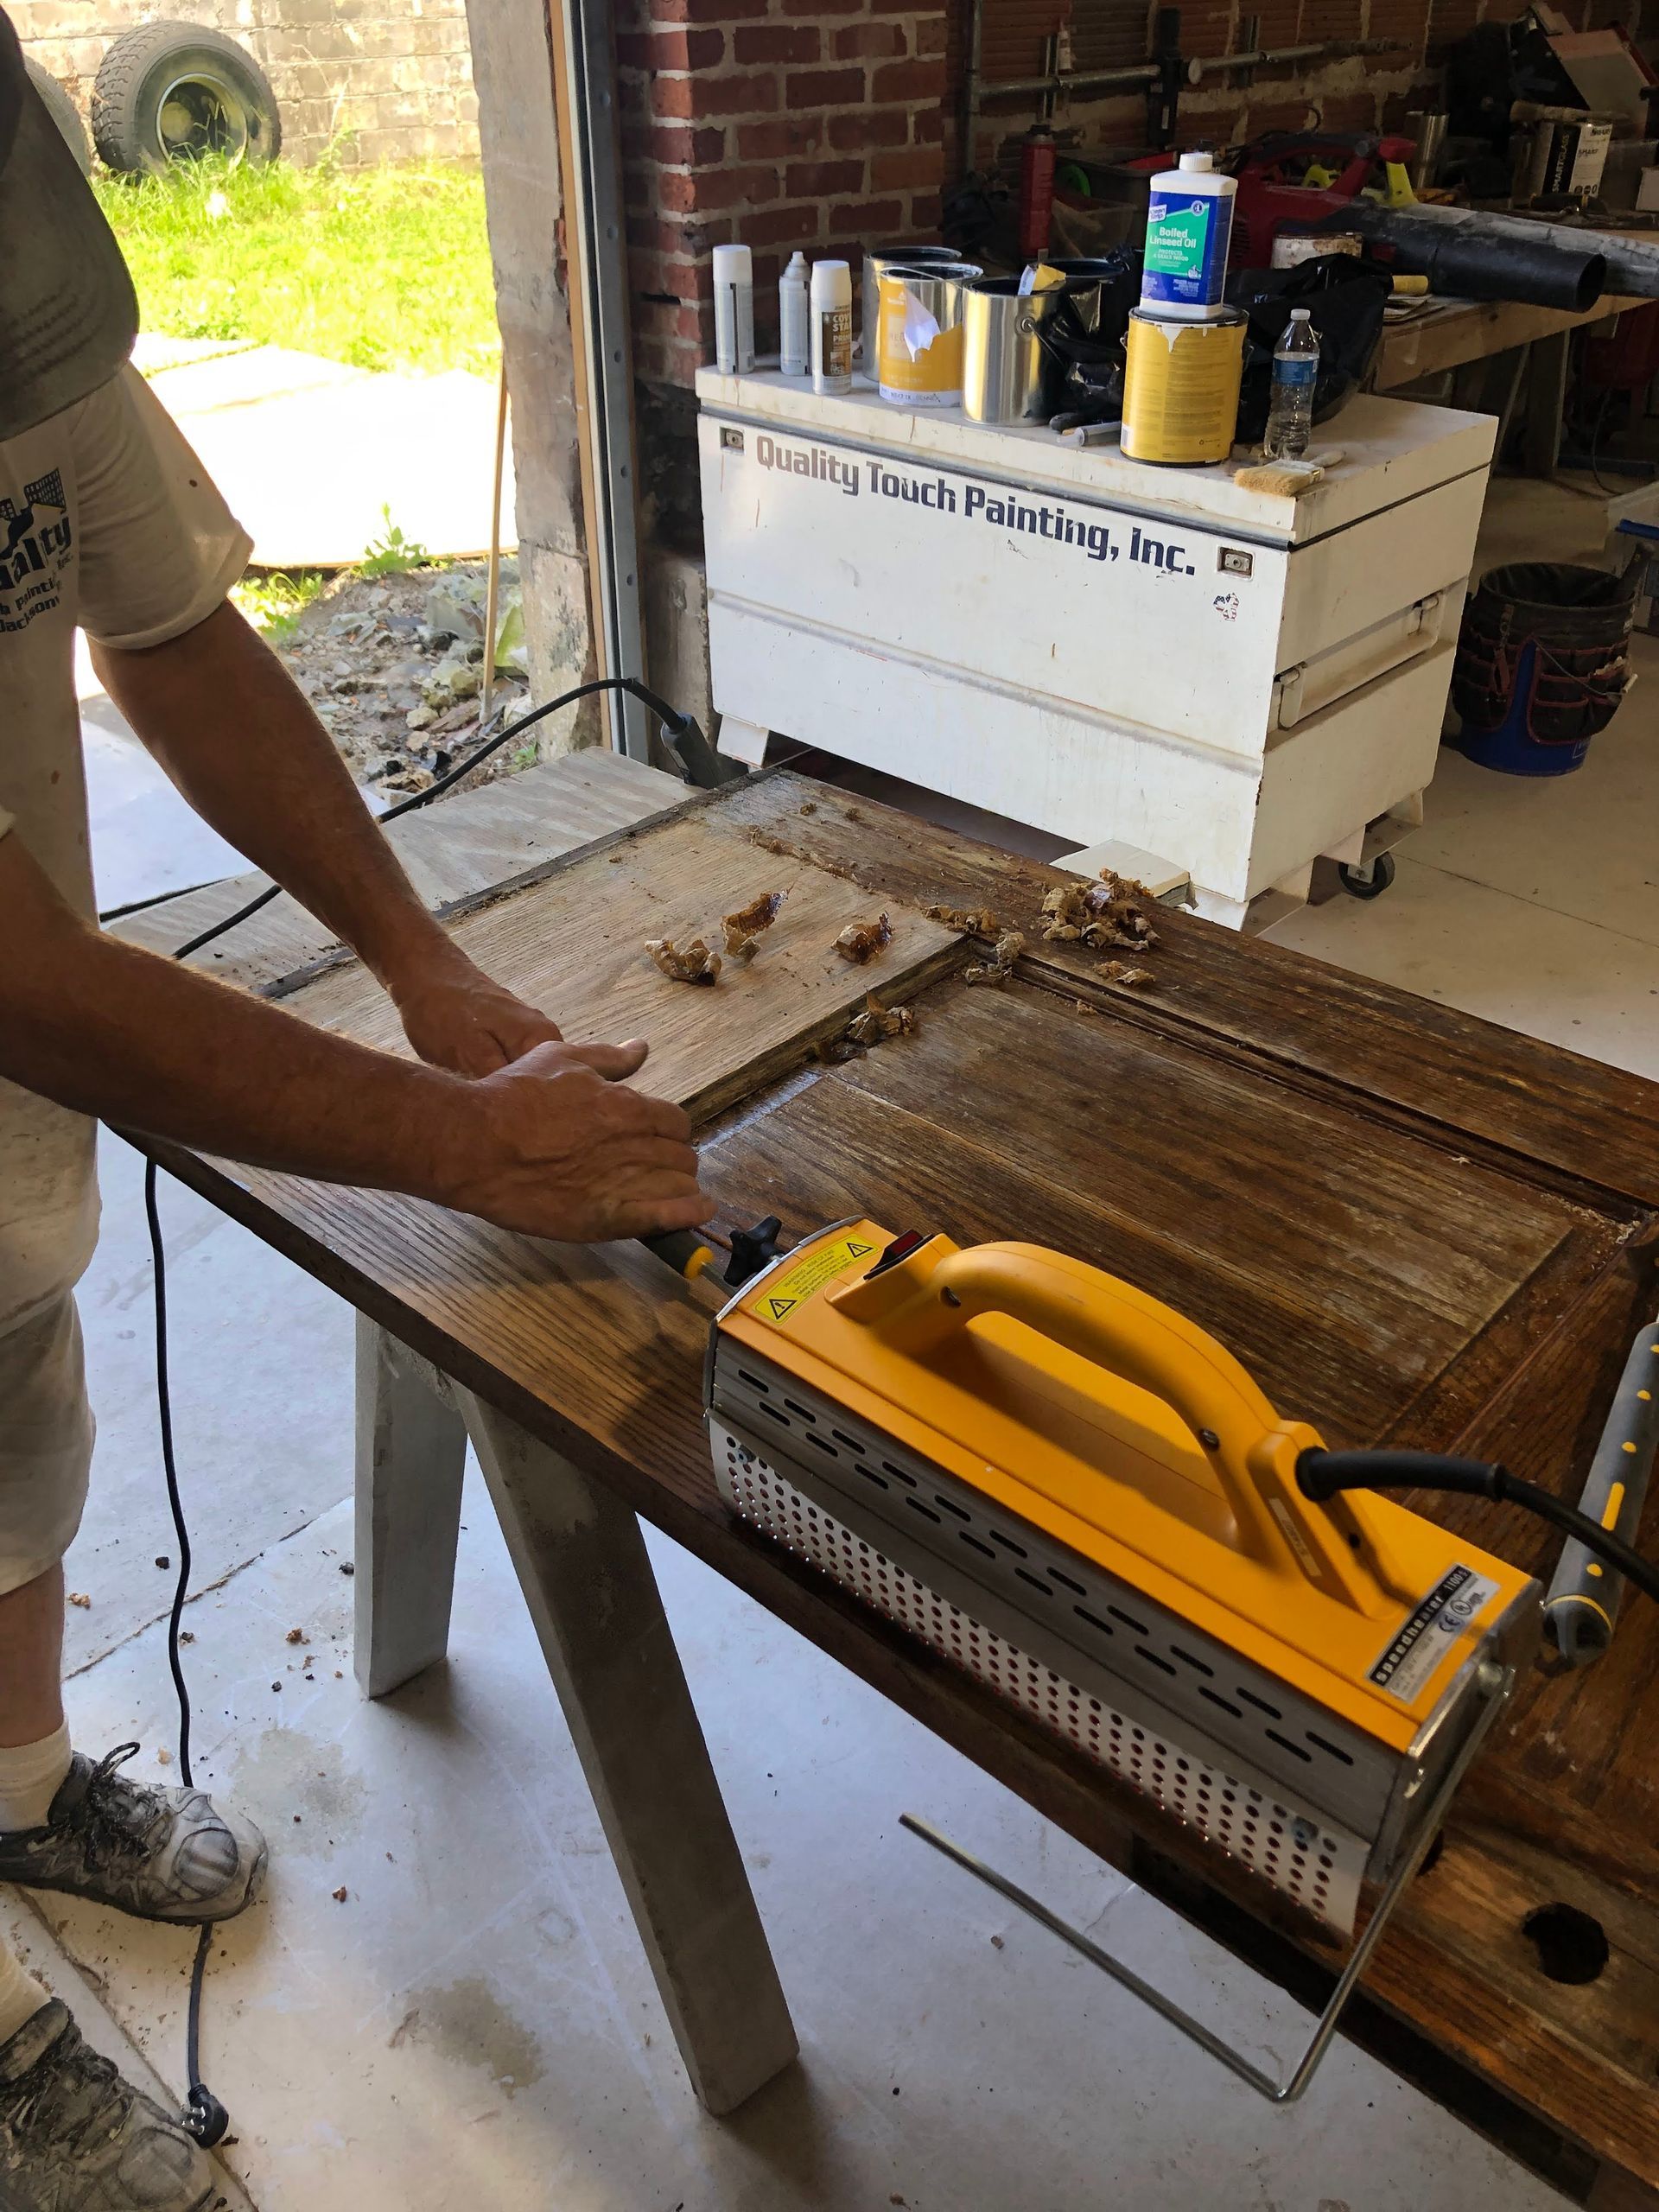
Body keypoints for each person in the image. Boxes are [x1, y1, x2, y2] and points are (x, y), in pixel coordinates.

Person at [0, 18, 710, 2206]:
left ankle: (19, 1772)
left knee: (20, 1377)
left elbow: (179, 636)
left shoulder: (26, 300)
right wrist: (460, 1148)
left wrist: (421, 969)